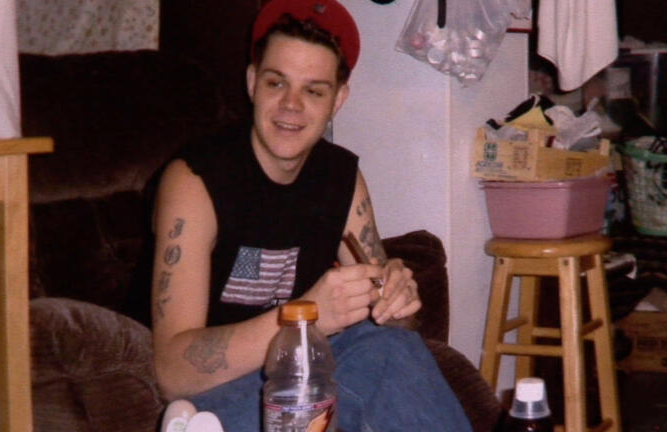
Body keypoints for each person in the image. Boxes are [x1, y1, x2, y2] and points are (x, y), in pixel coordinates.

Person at [150, 0, 472, 430]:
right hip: (219, 389)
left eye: (314, 91)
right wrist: (306, 315)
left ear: (338, 99)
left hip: (309, 373)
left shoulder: (342, 178)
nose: (291, 105)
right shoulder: (194, 181)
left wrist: (396, 302)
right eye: (276, 83)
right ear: (252, 82)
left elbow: (394, 323)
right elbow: (171, 372)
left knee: (394, 349)